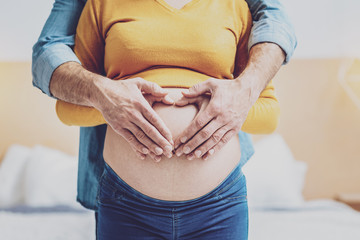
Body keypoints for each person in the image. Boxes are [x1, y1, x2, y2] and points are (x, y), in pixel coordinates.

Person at [32, 0, 296, 239]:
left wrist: (224, 108)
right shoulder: (101, 4)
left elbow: (268, 111)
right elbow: (67, 104)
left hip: (220, 206)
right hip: (126, 205)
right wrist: (107, 102)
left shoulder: (235, 6)